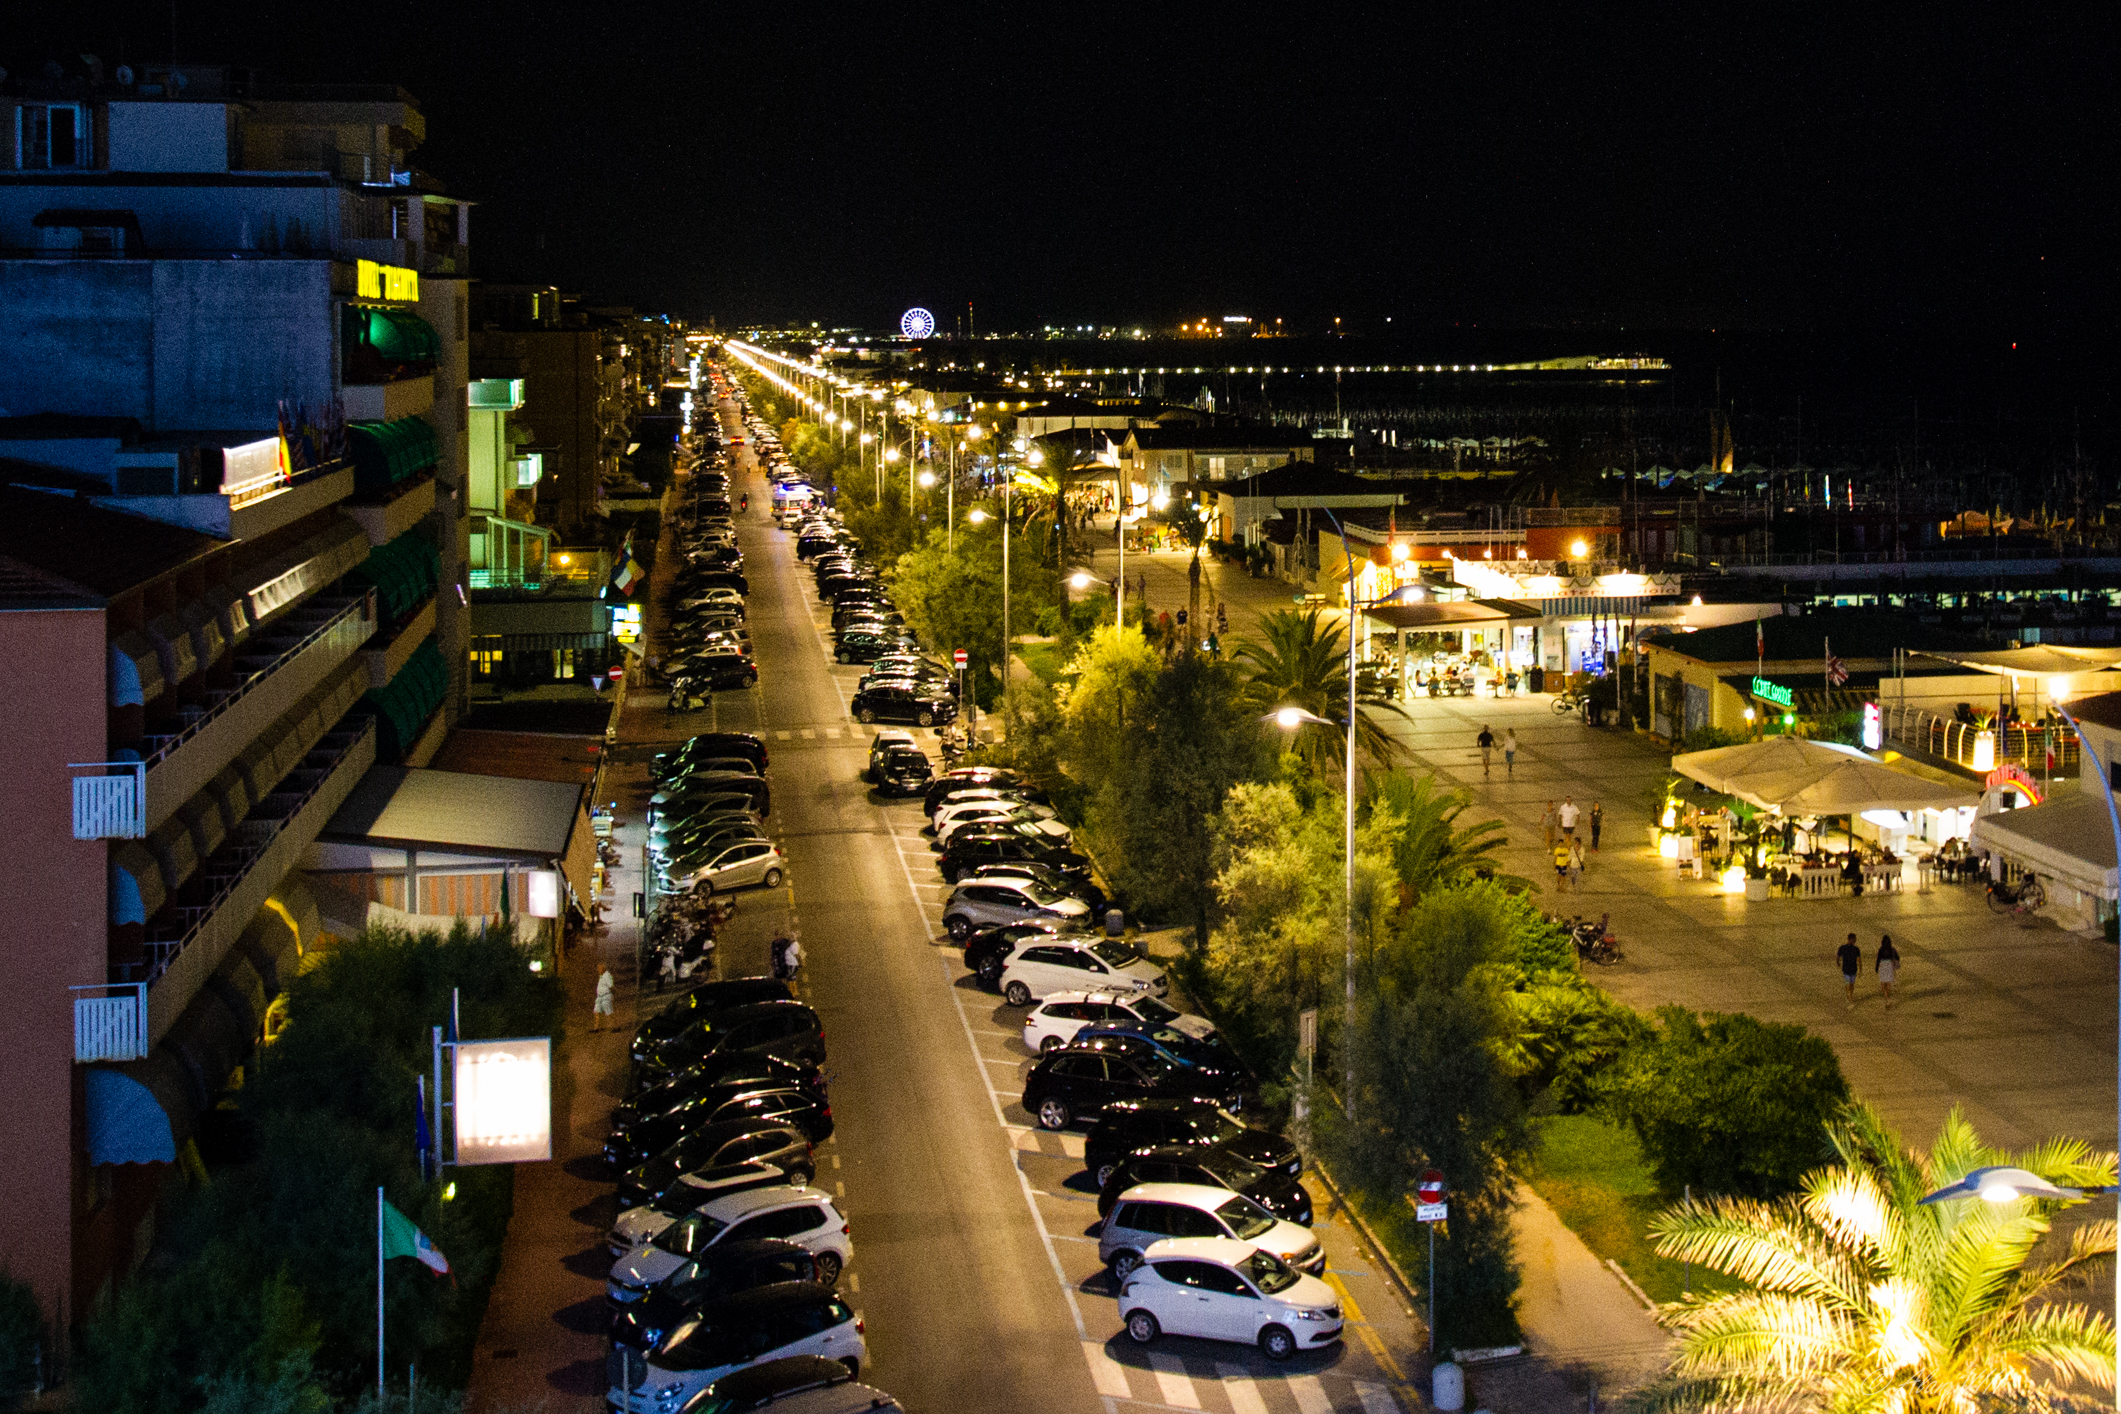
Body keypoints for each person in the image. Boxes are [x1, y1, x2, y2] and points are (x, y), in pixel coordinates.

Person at [1836, 932, 1863, 1004]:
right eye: (1853, 939)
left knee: (1851, 984)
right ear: (1849, 939)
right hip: (1846, 969)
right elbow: (1838, 956)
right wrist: (1838, 962)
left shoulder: (1856, 949)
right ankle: (1849, 996)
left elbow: (1859, 960)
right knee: (1848, 984)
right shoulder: (1843, 948)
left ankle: (1850, 995)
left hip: (1853, 969)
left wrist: (1860, 969)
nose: (1853, 941)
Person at [1875, 935, 1901, 1006]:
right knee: (1888, 982)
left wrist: (1876, 967)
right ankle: (1888, 999)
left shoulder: (1881, 950)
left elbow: (1878, 959)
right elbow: (1897, 957)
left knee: (1883, 983)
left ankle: (1886, 997)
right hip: (1889, 965)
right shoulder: (1892, 949)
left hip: (1883, 965)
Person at [593, 964, 616, 1031]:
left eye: (599, 968)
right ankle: (596, 1027)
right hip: (600, 996)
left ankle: (613, 1026)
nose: (598, 970)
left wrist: (611, 995)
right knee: (596, 1011)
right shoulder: (601, 976)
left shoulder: (607, 976)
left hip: (606, 996)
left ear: (603, 969)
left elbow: (611, 986)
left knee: (608, 1012)